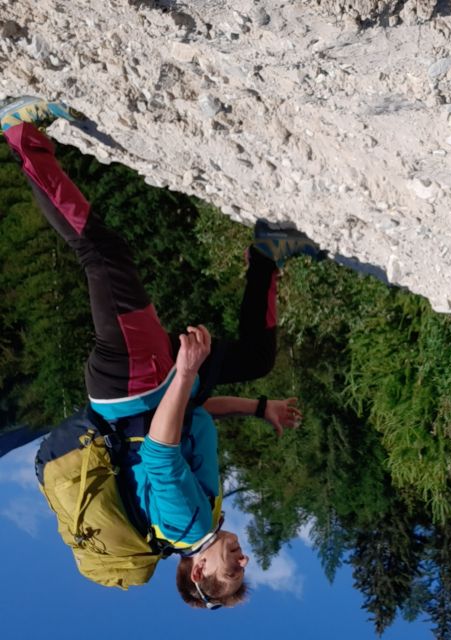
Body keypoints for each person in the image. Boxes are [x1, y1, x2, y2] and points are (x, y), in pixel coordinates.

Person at [1, 96, 313, 609]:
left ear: (196, 571)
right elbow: (186, 421)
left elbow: (161, 453)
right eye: (243, 571)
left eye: (229, 575)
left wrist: (186, 371)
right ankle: (267, 252)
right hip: (161, 390)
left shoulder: (185, 524)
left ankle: (19, 135)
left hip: (137, 382)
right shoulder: (203, 517)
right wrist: (261, 409)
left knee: (103, 256)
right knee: (255, 360)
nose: (243, 563)